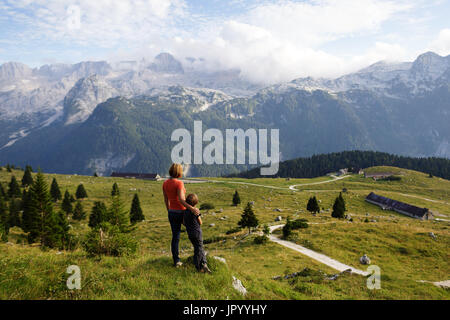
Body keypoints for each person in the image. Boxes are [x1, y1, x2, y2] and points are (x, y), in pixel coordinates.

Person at [163, 163, 200, 267]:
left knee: (175, 237)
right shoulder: (179, 183)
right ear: (179, 172)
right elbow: (181, 200)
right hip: (182, 212)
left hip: (172, 212)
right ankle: (199, 255)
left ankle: (176, 261)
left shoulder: (165, 183)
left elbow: (166, 199)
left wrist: (169, 210)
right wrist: (192, 209)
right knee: (194, 231)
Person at [184, 193, 211, 273]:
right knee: (198, 249)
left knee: (199, 248)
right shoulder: (195, 211)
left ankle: (204, 264)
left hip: (190, 233)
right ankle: (198, 267)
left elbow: (184, 222)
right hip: (197, 232)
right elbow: (200, 222)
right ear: (195, 203)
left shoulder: (185, 212)